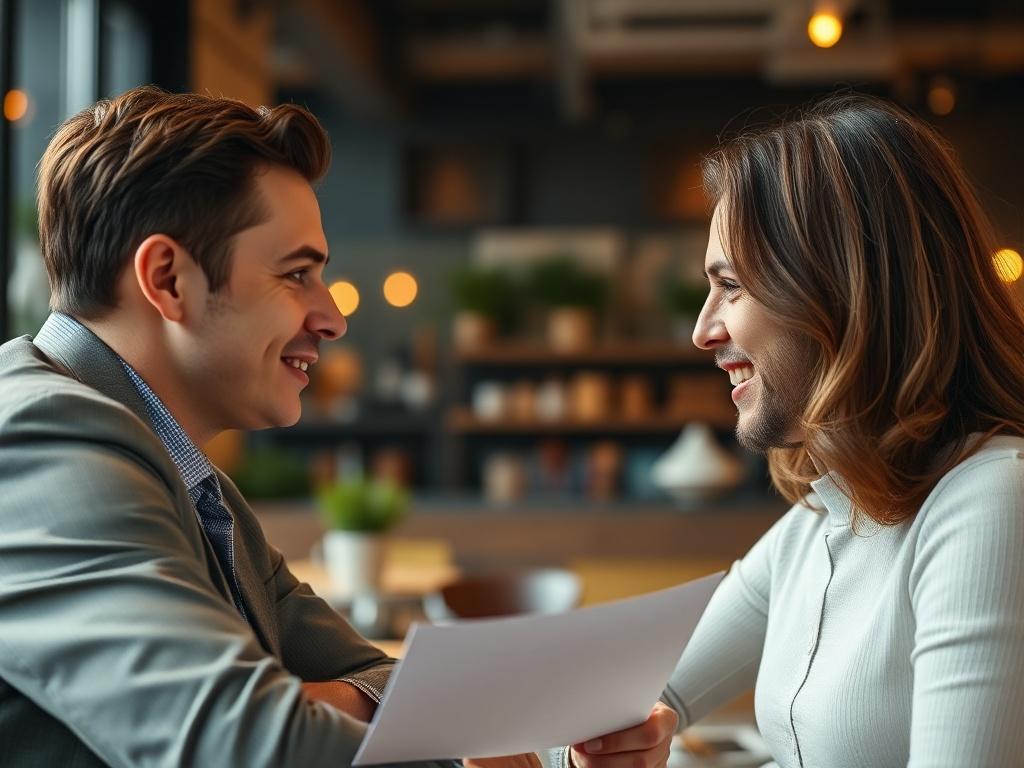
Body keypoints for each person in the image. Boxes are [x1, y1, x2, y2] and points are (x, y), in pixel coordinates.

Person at [0, 86, 680, 768]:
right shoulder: (37, 443)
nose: (333, 318)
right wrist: (308, 704)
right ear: (168, 279)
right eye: (297, 275)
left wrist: (314, 698)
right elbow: (244, 743)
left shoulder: (202, 491)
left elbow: (393, 679)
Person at [573, 94, 1024, 768]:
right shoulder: (824, 517)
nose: (702, 331)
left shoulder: (991, 500)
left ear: (839, 289)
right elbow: (625, 702)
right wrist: (594, 752)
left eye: (731, 286)